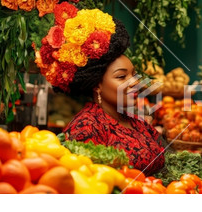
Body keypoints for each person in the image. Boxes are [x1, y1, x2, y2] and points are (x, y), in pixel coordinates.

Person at [33, 3, 164, 175]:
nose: (134, 82)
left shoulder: (137, 122)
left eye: (134, 74)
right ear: (97, 85)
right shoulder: (85, 127)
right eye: (121, 77)